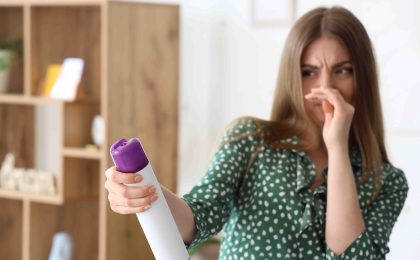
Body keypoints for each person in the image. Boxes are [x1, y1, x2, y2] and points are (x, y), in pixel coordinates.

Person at [104, 6, 408, 259]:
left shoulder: (387, 183)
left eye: (342, 70)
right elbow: (199, 215)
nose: (324, 87)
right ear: (292, 76)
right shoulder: (250, 141)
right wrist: (145, 192)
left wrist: (337, 148)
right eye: (309, 72)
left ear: (362, 78)